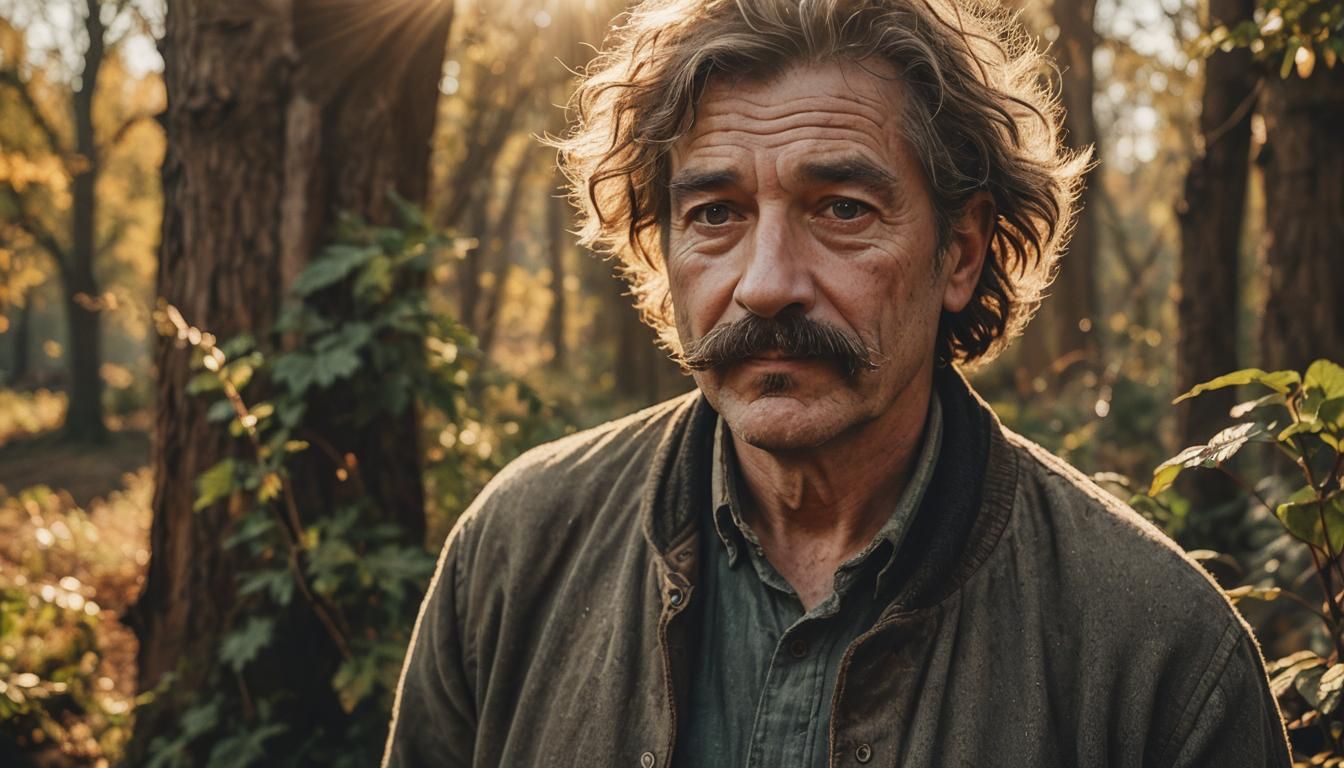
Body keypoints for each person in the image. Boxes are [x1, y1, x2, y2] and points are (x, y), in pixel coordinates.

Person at [383, 0, 1291, 765]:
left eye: (842, 209)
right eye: (716, 214)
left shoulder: (1159, 650)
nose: (767, 280)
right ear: (665, 248)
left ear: (960, 254)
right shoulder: (512, 554)